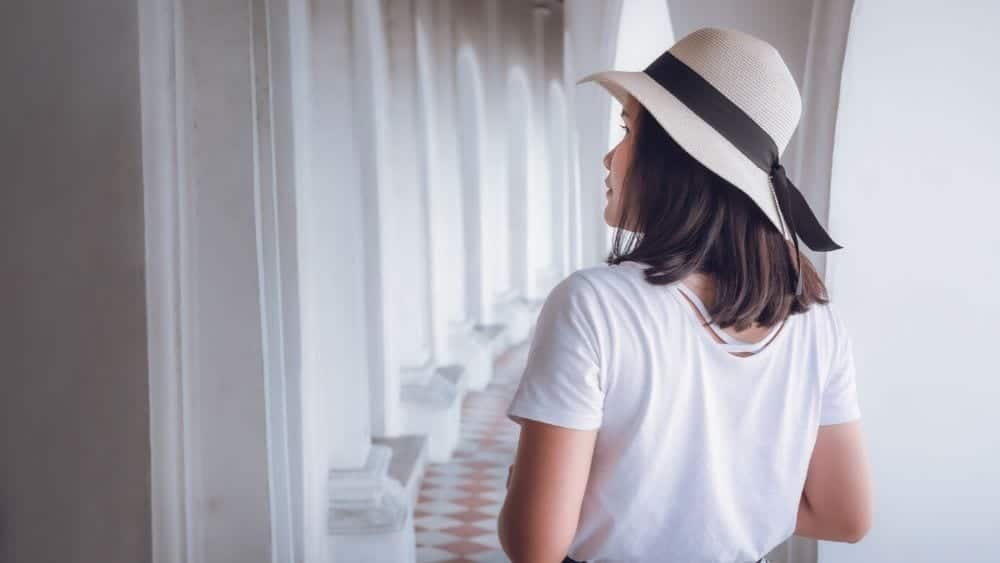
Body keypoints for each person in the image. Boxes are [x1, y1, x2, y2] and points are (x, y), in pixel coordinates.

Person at [497, 28, 873, 563]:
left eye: (627, 130)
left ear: (673, 156)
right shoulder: (814, 319)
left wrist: (523, 483)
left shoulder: (592, 305)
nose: (610, 157)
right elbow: (845, 515)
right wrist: (729, 509)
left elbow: (534, 547)